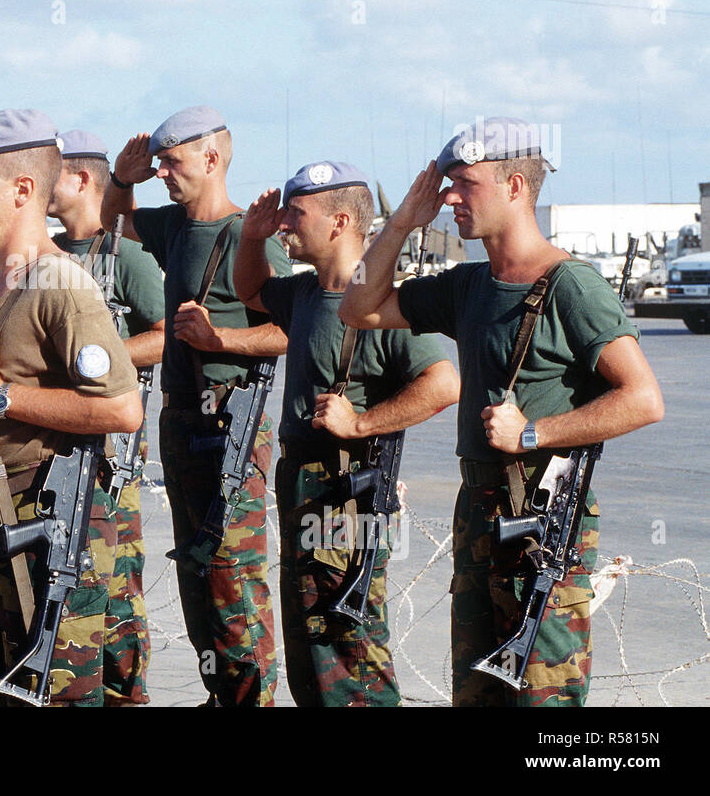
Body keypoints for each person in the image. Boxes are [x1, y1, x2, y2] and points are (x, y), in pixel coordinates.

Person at [338, 117, 664, 706]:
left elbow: (643, 398)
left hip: (541, 519)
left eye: (465, 184)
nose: (451, 199)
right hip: (481, 513)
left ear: (515, 186)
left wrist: (536, 432)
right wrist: (402, 223)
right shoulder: (469, 285)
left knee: (544, 701)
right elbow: (359, 308)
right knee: (478, 693)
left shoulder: (572, 286)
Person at [0, 108, 142, 707]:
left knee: (58, 695)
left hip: (52, 521)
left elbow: (121, 409)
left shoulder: (62, 286)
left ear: (22, 189)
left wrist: (2, 396)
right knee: (4, 693)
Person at [233, 161, 459, 706]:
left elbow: (444, 382)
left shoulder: (380, 306)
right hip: (303, 483)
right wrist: (251, 237)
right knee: (310, 641)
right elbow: (252, 289)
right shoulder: (307, 293)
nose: (285, 224)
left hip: (345, 493)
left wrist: (360, 424)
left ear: (338, 222)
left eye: (296, 214)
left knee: (347, 642)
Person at [101, 105, 288, 706]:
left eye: (171, 162)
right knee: (196, 570)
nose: (163, 173)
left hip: (231, 423)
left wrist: (223, 340)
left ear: (211, 159)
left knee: (233, 575)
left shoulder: (245, 235)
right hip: (183, 422)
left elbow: (293, 326)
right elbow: (114, 229)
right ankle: (218, 693)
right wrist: (122, 181)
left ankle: (250, 698)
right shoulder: (176, 227)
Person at [49, 129, 164, 706]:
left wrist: (101, 361)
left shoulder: (127, 255)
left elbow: (167, 335)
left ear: (83, 179)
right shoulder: (44, 256)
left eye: (53, 171)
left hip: (111, 454)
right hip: (56, 442)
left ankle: (125, 693)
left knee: (116, 582)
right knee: (68, 582)